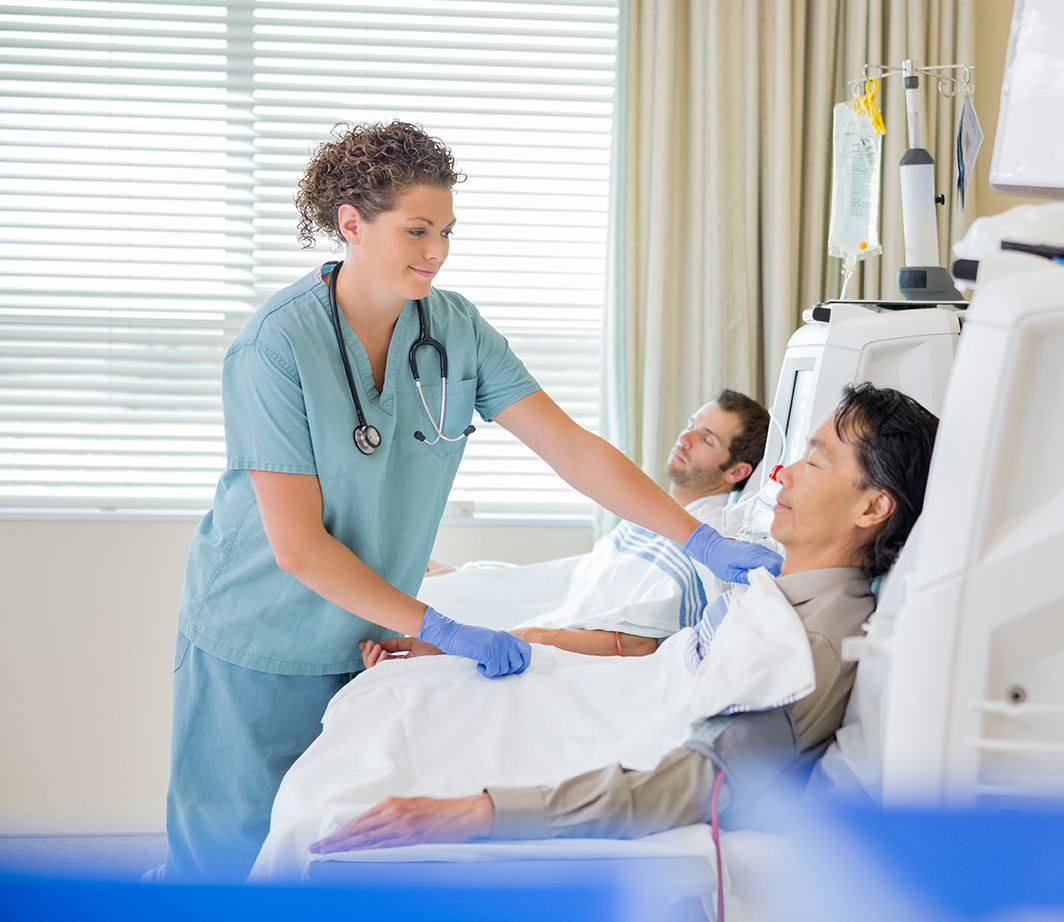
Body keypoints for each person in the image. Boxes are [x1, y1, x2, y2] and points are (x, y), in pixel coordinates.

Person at [160, 121, 779, 883]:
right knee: (221, 868)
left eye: (447, 231)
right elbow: (297, 547)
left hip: (362, 627)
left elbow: (575, 453)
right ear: (351, 224)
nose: (438, 251)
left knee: (315, 853)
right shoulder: (275, 348)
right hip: (255, 635)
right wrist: (441, 626)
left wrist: (699, 540)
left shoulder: (453, 329)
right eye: (417, 230)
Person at [308, 383, 938, 854]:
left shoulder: (811, 644)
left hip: (609, 740)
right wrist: (457, 649)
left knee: (343, 791)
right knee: (395, 699)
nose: (782, 473)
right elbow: (658, 663)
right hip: (602, 700)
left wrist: (483, 813)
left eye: (816, 461)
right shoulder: (776, 588)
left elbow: (696, 783)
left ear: (873, 507)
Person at [405, 390, 771, 659]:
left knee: (413, 636)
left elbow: (638, 641)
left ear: (737, 472)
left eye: (707, 439)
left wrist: (526, 636)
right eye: (693, 425)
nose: (685, 438)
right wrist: (472, 576)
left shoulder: (711, 545)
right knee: (431, 588)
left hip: (554, 634)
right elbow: (581, 579)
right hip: (550, 608)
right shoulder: (650, 513)